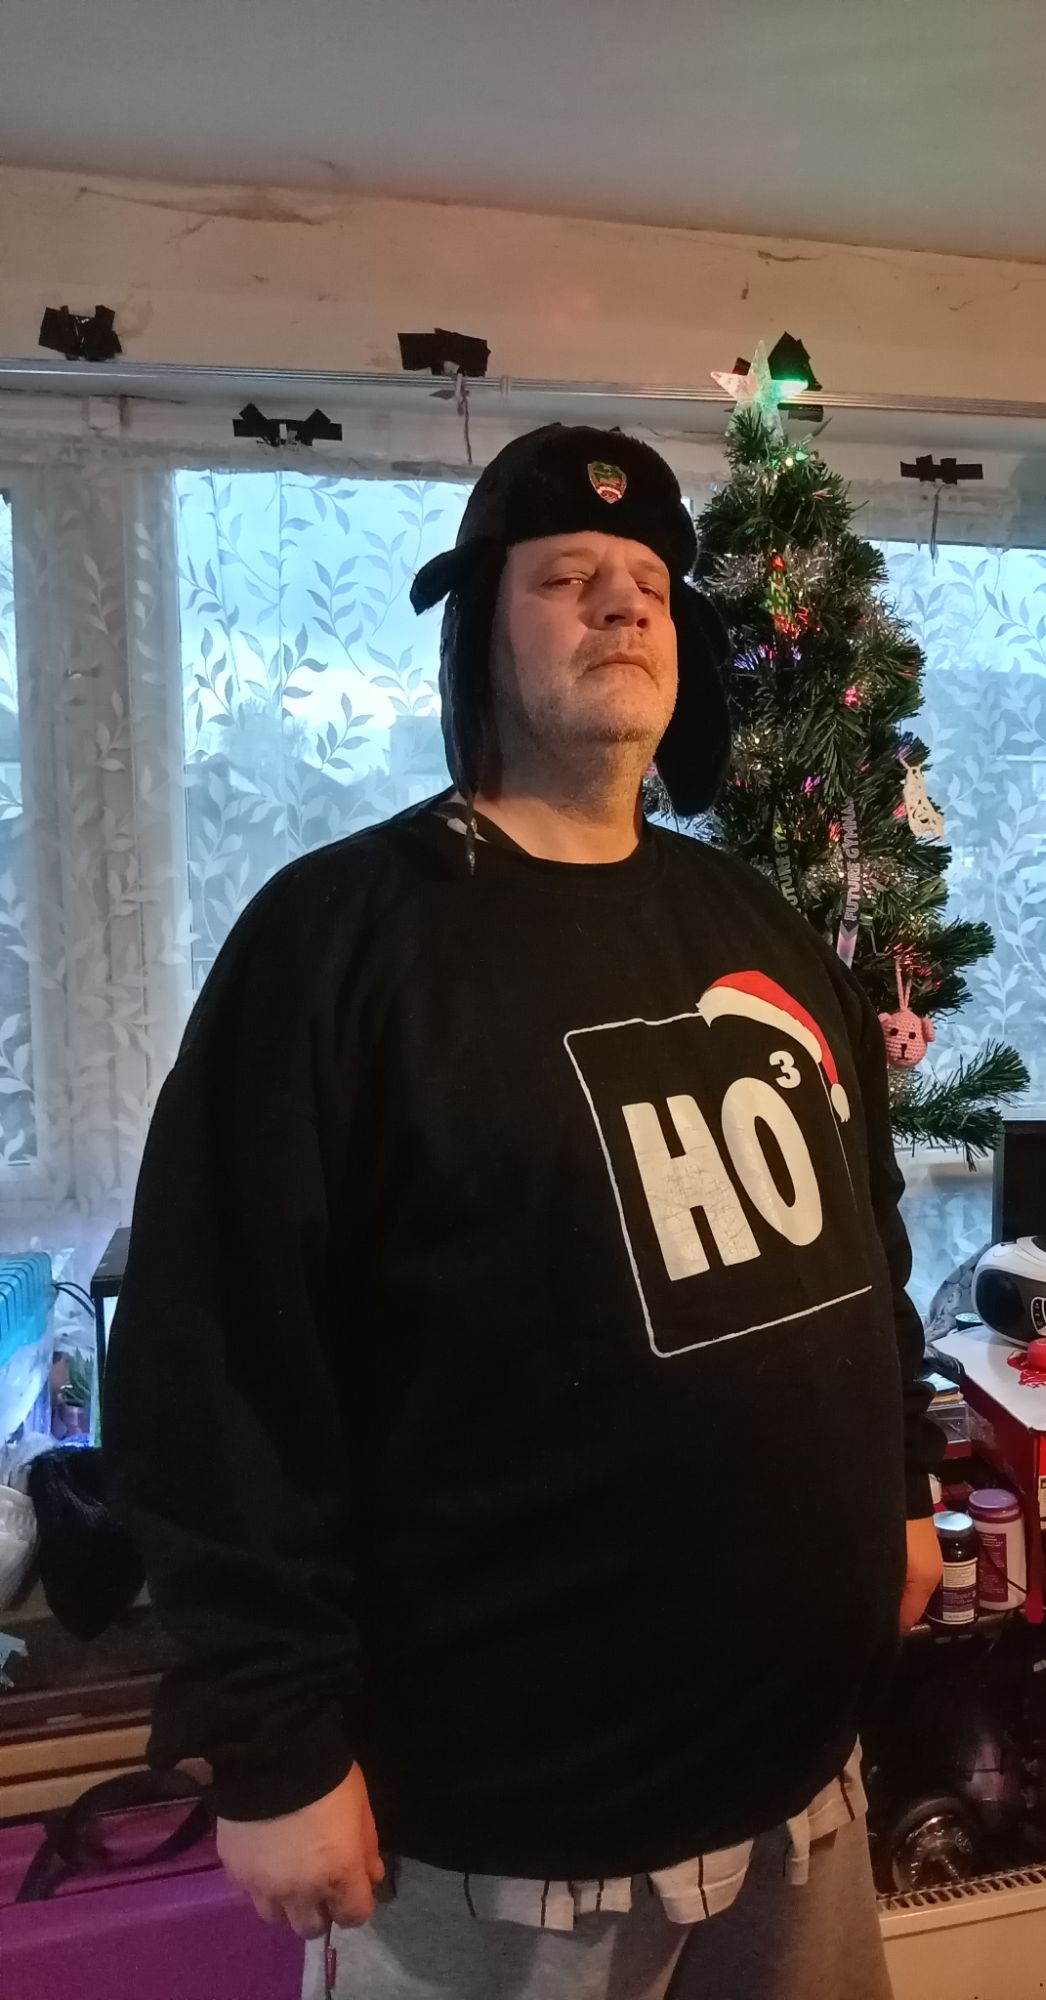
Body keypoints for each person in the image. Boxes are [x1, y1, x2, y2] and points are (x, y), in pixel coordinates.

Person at [104, 424, 944, 2000]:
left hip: (798, 1789)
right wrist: (269, 1740)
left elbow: (865, 1235)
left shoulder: (753, 919)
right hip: (498, 1838)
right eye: (565, 579)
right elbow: (214, 1360)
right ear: (480, 629)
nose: (620, 604)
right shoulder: (339, 942)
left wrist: (902, 1482)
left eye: (649, 586)